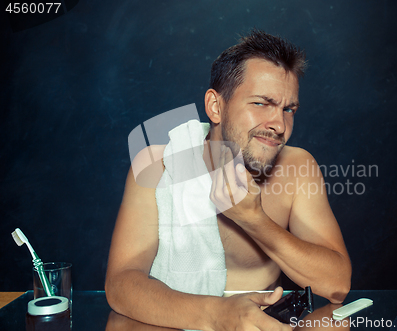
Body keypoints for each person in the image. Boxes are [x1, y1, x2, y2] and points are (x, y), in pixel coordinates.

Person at [105, 29, 351, 331]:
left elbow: (337, 285)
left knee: (336, 326)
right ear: (215, 107)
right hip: (173, 320)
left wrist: (253, 219)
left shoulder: (298, 166)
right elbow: (121, 284)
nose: (279, 125)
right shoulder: (158, 165)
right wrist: (217, 315)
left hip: (261, 324)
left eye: (289, 109)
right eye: (262, 103)